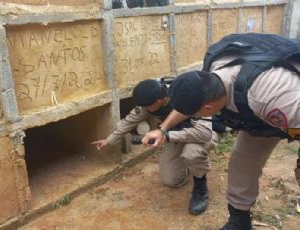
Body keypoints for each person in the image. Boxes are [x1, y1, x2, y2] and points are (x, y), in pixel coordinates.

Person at [141, 33, 300, 229]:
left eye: (194, 114)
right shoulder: (213, 73)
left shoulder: (270, 97)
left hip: (290, 107)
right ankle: (239, 221)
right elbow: (190, 102)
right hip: (262, 116)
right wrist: (163, 130)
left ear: (207, 109)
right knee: (241, 164)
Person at [91, 79, 218, 215]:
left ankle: (200, 186)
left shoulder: (188, 96)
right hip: (174, 135)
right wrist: (109, 139)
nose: (144, 109)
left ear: (159, 101)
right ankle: (186, 164)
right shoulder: (151, 101)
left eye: (146, 106)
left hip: (200, 135)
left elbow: (204, 134)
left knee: (192, 153)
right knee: (171, 180)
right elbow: (130, 120)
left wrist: (167, 136)